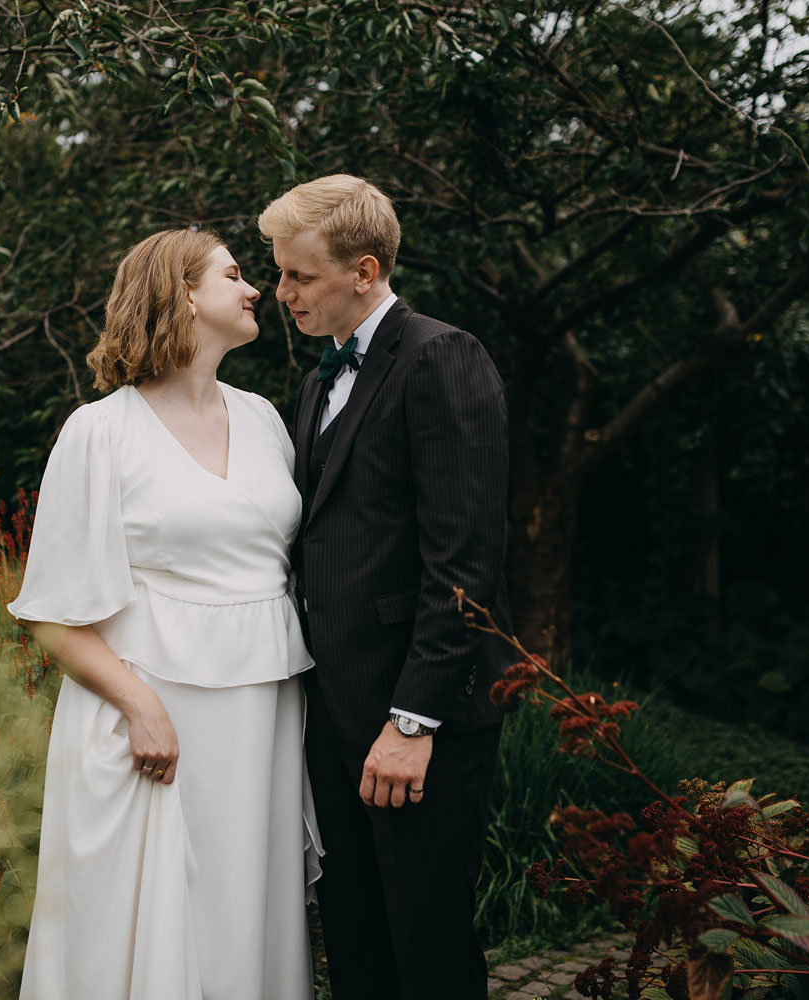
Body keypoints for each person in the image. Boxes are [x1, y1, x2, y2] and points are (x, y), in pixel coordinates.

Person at [6, 228, 320, 1000]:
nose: (256, 291)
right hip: (148, 721)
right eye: (236, 274)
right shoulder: (100, 432)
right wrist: (141, 708)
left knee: (244, 909)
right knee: (144, 921)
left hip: (263, 715)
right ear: (181, 293)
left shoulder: (265, 420)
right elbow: (51, 613)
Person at [258, 174, 516, 999]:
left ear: (364, 271)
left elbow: (464, 561)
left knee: (428, 949)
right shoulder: (313, 383)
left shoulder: (442, 356)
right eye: (278, 271)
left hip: (416, 723)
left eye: (299, 274)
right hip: (331, 717)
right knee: (358, 949)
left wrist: (413, 719)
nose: (281, 291)